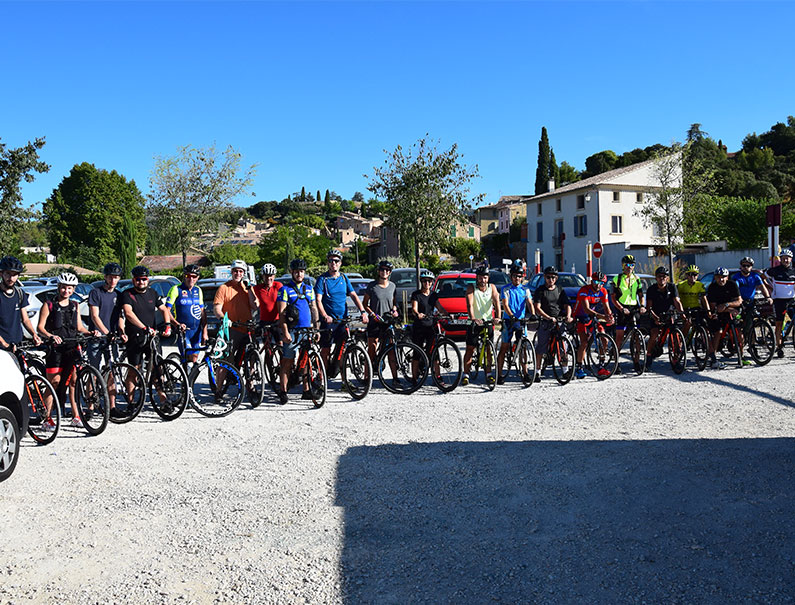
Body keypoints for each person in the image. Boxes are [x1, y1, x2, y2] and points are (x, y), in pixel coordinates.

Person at [37, 273, 98, 427]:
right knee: (55, 382)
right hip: (55, 348)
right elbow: (40, 328)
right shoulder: (49, 305)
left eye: (69, 288)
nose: (66, 291)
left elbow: (78, 327)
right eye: (63, 287)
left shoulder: (75, 305)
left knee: (73, 382)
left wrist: (90, 332)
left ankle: (76, 415)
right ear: (59, 288)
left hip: (71, 346)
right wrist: (50, 336)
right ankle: (47, 417)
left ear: (73, 290)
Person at [118, 265, 174, 402]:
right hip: (135, 337)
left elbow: (163, 309)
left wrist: (167, 325)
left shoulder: (153, 293)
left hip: (152, 336)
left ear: (147, 280)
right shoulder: (127, 294)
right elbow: (128, 313)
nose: (141, 282)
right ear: (133, 280)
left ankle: (163, 398)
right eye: (138, 279)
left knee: (157, 368)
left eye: (143, 279)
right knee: (134, 370)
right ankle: (131, 403)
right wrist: (143, 328)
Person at [316, 249, 368, 369]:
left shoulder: (344, 278)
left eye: (336, 260)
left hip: (342, 320)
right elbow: (318, 300)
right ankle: (322, 379)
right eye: (331, 260)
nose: (333, 263)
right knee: (326, 350)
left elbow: (354, 295)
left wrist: (363, 312)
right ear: (328, 263)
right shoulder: (322, 279)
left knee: (343, 350)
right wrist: (325, 316)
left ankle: (344, 382)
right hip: (328, 321)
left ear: (340, 263)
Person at [87, 262, 126, 417]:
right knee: (93, 371)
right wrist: (105, 331)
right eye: (110, 277)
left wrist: (121, 331)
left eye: (116, 277)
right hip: (97, 337)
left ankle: (112, 406)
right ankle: (90, 407)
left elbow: (121, 316)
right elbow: (94, 316)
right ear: (105, 277)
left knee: (112, 371)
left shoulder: (118, 294)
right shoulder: (96, 293)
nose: (113, 280)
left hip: (112, 338)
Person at [277, 258, 319, 403]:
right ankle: (283, 391)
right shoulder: (285, 290)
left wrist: (316, 328)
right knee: (287, 361)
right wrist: (285, 332)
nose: (299, 274)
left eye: (301, 272)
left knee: (306, 361)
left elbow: (314, 308)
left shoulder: (309, 289)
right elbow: (281, 313)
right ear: (292, 272)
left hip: (307, 330)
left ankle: (306, 390)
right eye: (296, 272)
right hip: (292, 330)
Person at [362, 260, 400, 387]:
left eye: (387, 270)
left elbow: (394, 302)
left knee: (391, 351)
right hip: (375, 321)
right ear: (378, 271)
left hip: (387, 321)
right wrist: (372, 314)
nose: (384, 272)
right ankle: (367, 377)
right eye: (382, 270)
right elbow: (365, 304)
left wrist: (394, 310)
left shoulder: (393, 286)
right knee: (372, 348)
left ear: (389, 273)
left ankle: (395, 378)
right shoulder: (372, 286)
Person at [461, 266, 500, 386]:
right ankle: (466, 374)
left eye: (485, 277)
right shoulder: (471, 288)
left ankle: (488, 374)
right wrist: (473, 318)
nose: (483, 280)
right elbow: (470, 304)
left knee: (489, 349)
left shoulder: (492, 287)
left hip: (488, 321)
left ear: (488, 278)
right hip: (475, 322)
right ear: (477, 277)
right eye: (480, 277)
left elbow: (497, 302)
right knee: (470, 348)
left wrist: (498, 317)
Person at [213, 259, 258, 365]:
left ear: (244, 273)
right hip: (232, 328)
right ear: (231, 272)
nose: (238, 274)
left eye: (241, 271)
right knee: (228, 358)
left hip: (247, 327)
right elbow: (217, 308)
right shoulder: (224, 288)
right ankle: (225, 380)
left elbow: (255, 306)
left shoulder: (247, 288)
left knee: (252, 356)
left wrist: (250, 288)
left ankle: (249, 380)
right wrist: (223, 319)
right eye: (235, 271)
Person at [532, 265, 572, 382]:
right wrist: (548, 317)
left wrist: (568, 316)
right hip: (546, 321)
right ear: (544, 277)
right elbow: (537, 307)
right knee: (541, 347)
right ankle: (537, 372)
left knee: (563, 346)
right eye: (549, 277)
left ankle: (565, 370)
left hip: (558, 320)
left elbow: (567, 305)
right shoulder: (540, 290)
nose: (551, 280)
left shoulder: (560, 290)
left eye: (553, 277)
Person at [572, 271, 613, 379]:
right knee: (584, 342)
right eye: (595, 281)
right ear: (591, 281)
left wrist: (609, 316)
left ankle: (601, 366)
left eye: (601, 282)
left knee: (604, 339)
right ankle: (579, 368)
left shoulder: (603, 291)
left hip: (592, 316)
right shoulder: (584, 290)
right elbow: (586, 309)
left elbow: (606, 307)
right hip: (580, 316)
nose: (598, 285)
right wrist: (603, 316)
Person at [731, 257, 771, 364]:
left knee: (752, 325)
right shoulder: (737, 277)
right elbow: (736, 290)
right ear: (741, 267)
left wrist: (768, 297)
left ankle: (752, 346)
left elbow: (762, 288)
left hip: (751, 302)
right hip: (740, 303)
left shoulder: (755, 276)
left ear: (751, 267)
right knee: (740, 328)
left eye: (748, 266)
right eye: (744, 265)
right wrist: (739, 300)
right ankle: (741, 353)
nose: (746, 267)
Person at [165, 264, 208, 365]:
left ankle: (189, 379)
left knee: (194, 358)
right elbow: (166, 310)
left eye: (194, 276)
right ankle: (185, 378)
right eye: (188, 276)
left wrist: (205, 332)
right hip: (183, 331)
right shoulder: (176, 289)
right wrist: (176, 324)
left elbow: (202, 312)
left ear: (198, 278)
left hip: (196, 331)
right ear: (184, 276)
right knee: (188, 358)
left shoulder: (198, 290)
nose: (191, 279)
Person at [496, 259, 529, 384]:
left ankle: (525, 373)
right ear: (511, 276)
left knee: (524, 346)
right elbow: (505, 304)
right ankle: (499, 374)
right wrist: (511, 315)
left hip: (520, 320)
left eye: (519, 276)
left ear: (522, 277)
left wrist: (533, 314)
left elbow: (529, 303)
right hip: (508, 320)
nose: (517, 278)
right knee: (504, 347)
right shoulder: (505, 289)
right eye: (515, 276)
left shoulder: (525, 290)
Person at [610, 254, 646, 366]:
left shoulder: (637, 279)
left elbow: (641, 295)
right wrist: (621, 308)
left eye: (632, 265)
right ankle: (616, 362)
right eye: (627, 265)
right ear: (623, 265)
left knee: (637, 337)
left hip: (634, 307)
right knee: (619, 336)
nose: (629, 267)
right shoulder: (617, 279)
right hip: (622, 307)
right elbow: (613, 298)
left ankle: (636, 361)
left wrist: (642, 306)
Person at [645, 266, 684, 367]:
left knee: (675, 334)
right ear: (656, 278)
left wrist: (682, 313)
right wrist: (655, 318)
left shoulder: (672, 287)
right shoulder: (651, 289)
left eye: (664, 276)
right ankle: (648, 355)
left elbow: (677, 301)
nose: (661, 278)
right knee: (654, 333)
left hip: (668, 314)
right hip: (655, 314)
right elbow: (648, 307)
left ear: (667, 278)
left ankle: (676, 358)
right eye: (659, 276)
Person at [0, 255, 41, 350]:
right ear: (1, 274)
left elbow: (25, 319)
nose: (11, 278)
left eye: (14, 275)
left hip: (17, 343)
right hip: (2, 345)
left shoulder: (19, 293)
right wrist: (4, 344)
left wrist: (34, 334)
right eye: (8, 274)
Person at [705, 267, 742, 370]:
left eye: (723, 277)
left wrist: (727, 305)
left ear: (727, 277)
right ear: (715, 278)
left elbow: (739, 301)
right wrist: (728, 309)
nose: (721, 280)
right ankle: (714, 358)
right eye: (718, 277)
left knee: (739, 331)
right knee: (718, 332)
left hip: (730, 310)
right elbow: (714, 307)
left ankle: (740, 355)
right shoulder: (712, 287)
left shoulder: (732, 284)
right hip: (717, 312)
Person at [408, 269, 441, 380]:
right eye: (425, 281)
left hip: (431, 326)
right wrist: (418, 314)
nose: (427, 283)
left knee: (434, 352)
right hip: (420, 326)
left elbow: (439, 307)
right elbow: (414, 308)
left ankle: (438, 376)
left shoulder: (433, 295)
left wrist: (447, 314)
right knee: (417, 352)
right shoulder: (416, 295)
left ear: (432, 283)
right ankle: (414, 377)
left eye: (429, 281)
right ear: (421, 282)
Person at [765, 249, 795, 357]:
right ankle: (779, 346)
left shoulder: (793, 271)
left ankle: (788, 332)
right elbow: (763, 276)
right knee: (778, 324)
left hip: (791, 300)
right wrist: (770, 288)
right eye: (783, 258)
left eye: (787, 258)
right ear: (780, 259)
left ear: (791, 259)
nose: (785, 260)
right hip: (779, 301)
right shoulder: (774, 270)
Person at [251, 263, 283, 347]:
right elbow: (250, 297)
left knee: (280, 344)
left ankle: (282, 360)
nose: (268, 278)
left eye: (270, 276)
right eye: (266, 276)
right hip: (264, 321)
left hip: (276, 320)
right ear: (262, 276)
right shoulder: (258, 288)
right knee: (266, 345)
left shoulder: (278, 286)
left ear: (274, 276)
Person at [676, 264, 708, 337]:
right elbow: (675, 298)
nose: (692, 276)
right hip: (684, 308)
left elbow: (704, 299)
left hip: (696, 308)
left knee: (704, 324)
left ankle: (705, 341)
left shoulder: (700, 285)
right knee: (688, 323)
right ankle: (682, 341)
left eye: (695, 274)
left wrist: (708, 311)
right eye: (690, 274)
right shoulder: (681, 285)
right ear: (687, 275)